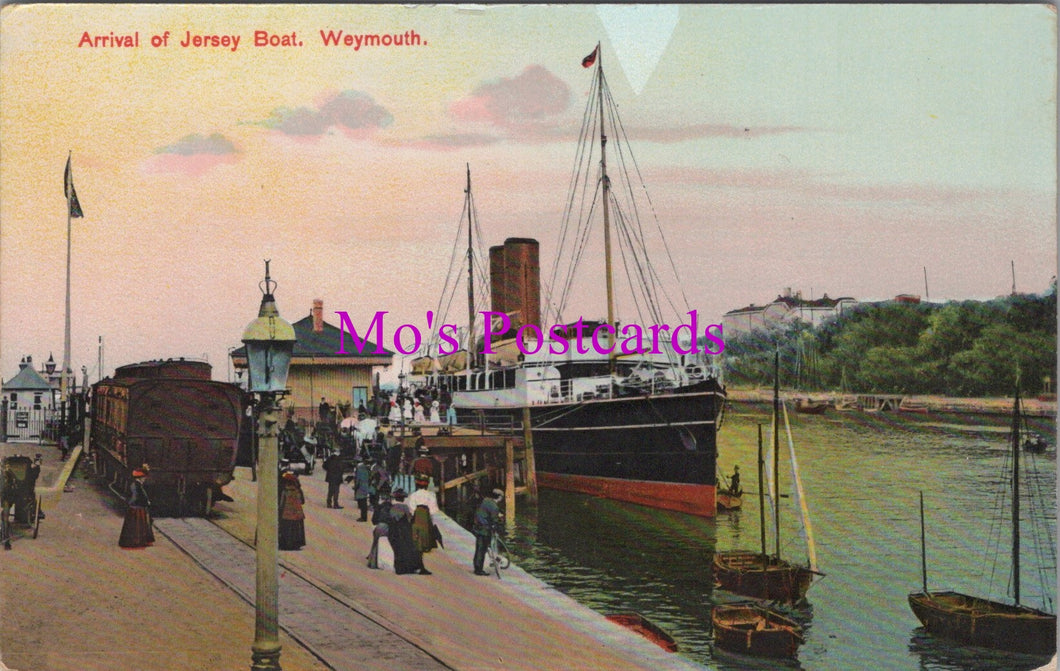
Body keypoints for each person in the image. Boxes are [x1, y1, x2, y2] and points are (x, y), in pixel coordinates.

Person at [387, 488, 431, 575]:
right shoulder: (405, 508)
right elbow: (409, 519)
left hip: (394, 532)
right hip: (403, 532)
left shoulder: (392, 508)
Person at [119, 468, 155, 548]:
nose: (144, 479)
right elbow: (136, 497)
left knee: (135, 524)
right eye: (144, 478)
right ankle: (137, 541)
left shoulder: (135, 485)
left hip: (136, 506)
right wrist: (146, 502)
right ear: (141, 478)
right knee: (139, 525)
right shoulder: (137, 485)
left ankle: (137, 541)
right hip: (137, 507)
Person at [472, 488, 504, 575]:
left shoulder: (486, 500)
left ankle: (477, 567)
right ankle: (479, 570)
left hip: (478, 526)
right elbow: (494, 521)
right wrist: (499, 519)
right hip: (484, 529)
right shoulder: (494, 506)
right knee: (482, 549)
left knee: (479, 548)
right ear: (500, 497)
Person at [408, 474, 440, 553]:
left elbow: (411, 507)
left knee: (417, 528)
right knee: (426, 528)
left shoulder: (414, 495)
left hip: (417, 512)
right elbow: (433, 509)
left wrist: (412, 514)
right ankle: (426, 545)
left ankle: (417, 544)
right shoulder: (431, 495)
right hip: (426, 512)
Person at [278, 471, 306, 550]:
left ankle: (286, 544)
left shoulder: (285, 491)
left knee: (286, 529)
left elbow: (281, 503)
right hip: (297, 514)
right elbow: (302, 501)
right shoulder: (298, 490)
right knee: (296, 530)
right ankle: (296, 544)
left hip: (286, 513)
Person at [366, 484, 392, 569]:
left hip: (380, 526)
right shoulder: (392, 507)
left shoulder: (379, 507)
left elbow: (374, 520)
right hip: (390, 527)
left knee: (375, 542)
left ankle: (372, 561)